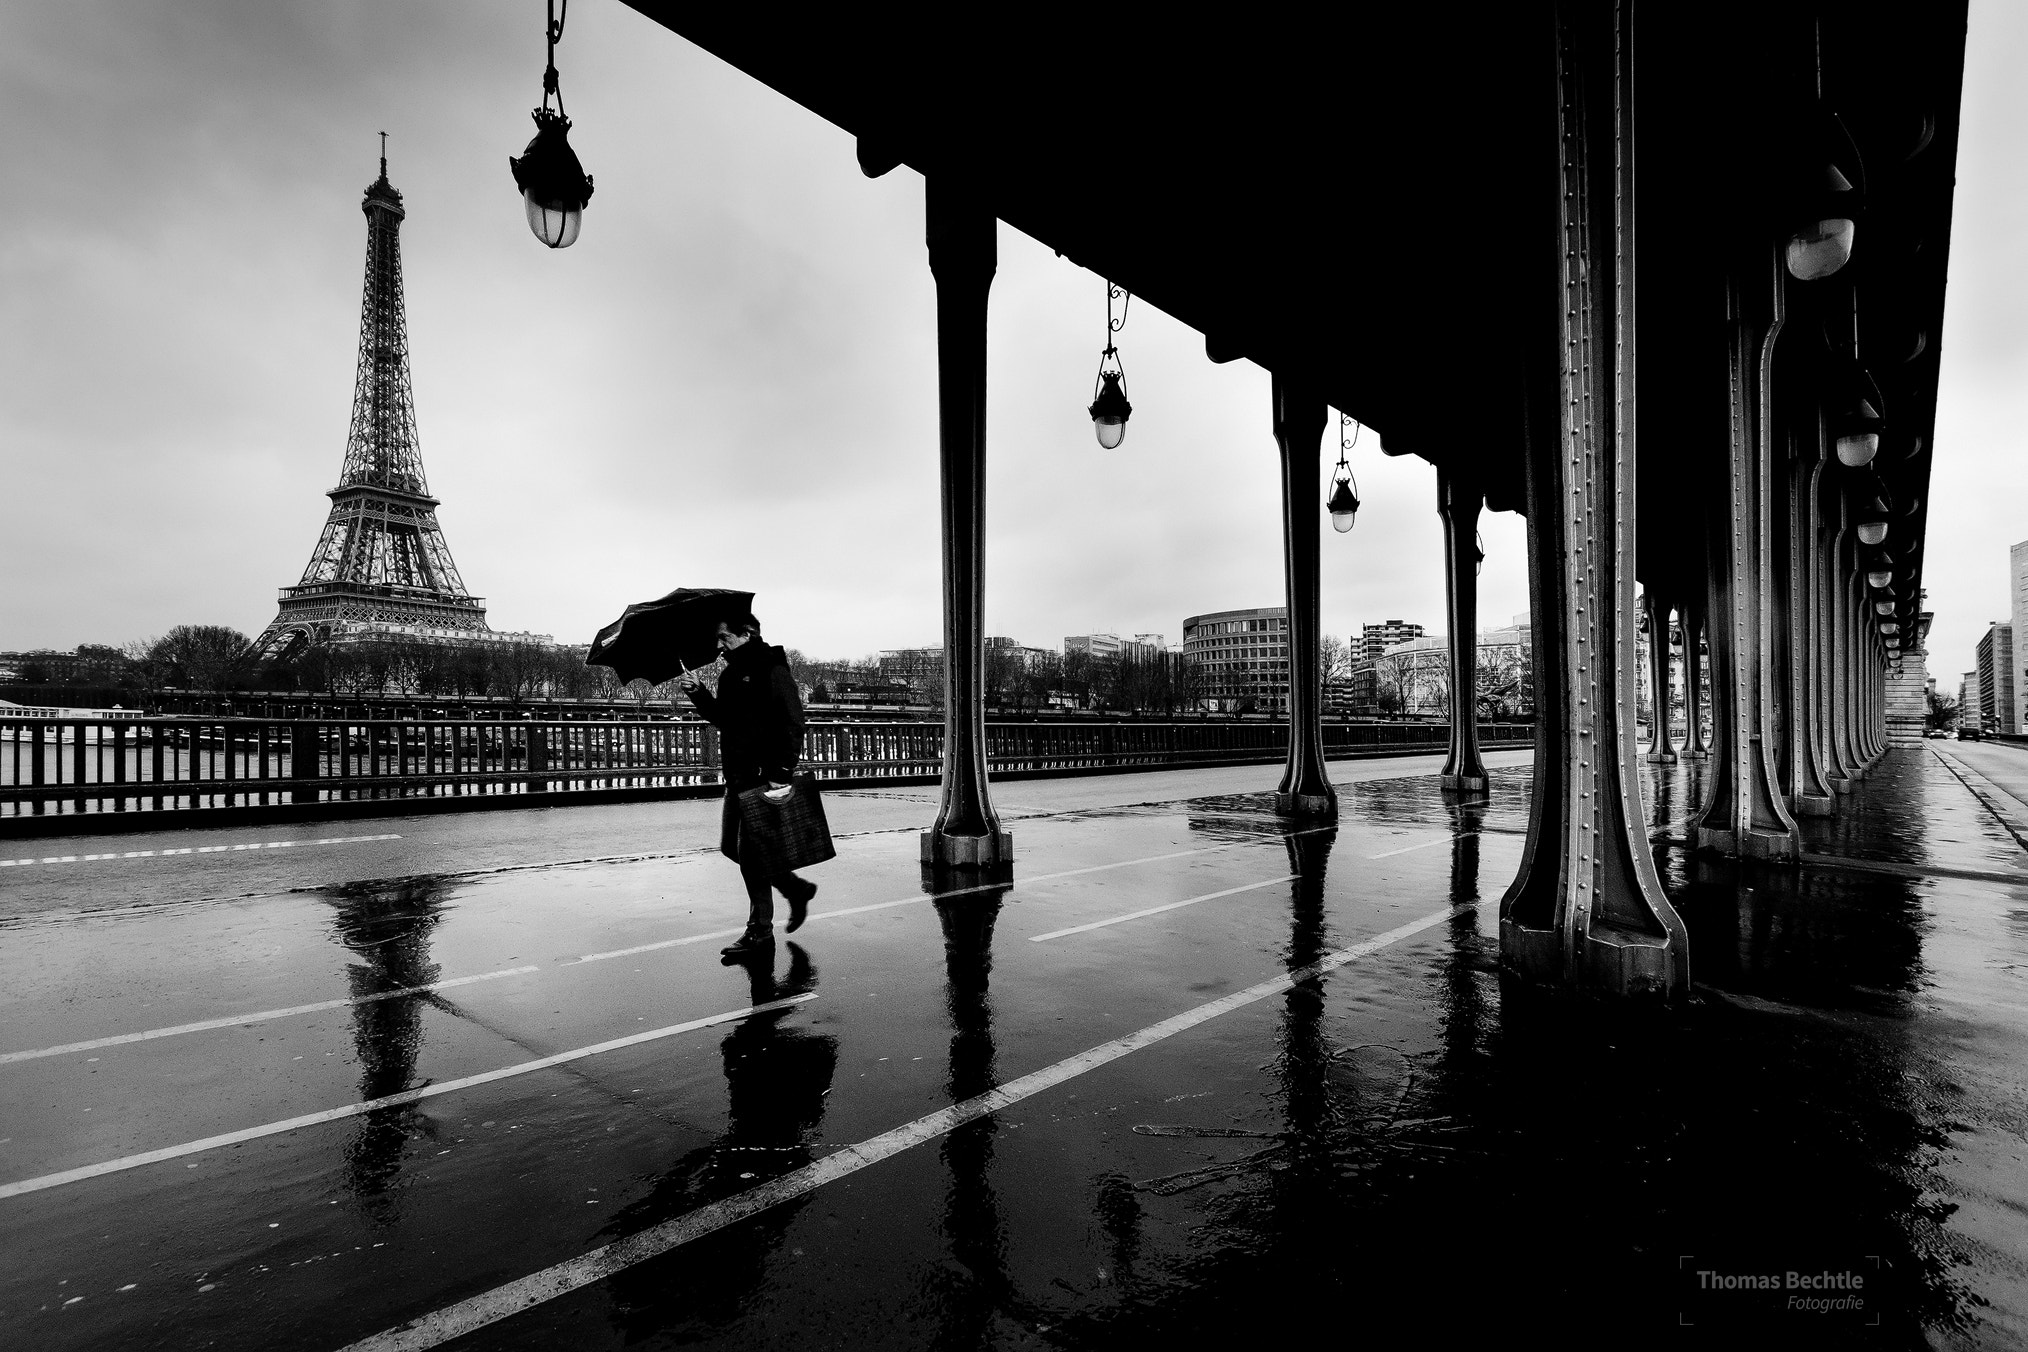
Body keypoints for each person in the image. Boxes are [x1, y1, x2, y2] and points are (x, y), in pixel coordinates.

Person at [677, 615, 818, 958]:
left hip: (762, 777)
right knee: (731, 847)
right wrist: (699, 694)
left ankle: (760, 932)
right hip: (738, 776)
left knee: (751, 854)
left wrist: (781, 772)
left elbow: (793, 721)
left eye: (724, 637)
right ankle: (795, 888)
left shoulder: (771, 668)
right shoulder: (729, 674)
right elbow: (724, 719)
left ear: (748, 633)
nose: (718, 645)